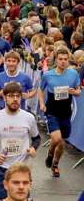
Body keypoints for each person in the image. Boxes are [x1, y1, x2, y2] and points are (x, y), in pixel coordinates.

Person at [0, 82, 40, 201]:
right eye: (11, 96)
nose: (15, 99)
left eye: (18, 96)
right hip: (2, 169)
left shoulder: (29, 117)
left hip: (22, 168)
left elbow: (36, 138)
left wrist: (33, 148)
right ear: (4, 97)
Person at [39, 47, 81, 177]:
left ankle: (55, 164)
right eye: (60, 59)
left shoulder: (73, 74)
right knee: (56, 138)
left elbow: (78, 91)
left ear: (68, 60)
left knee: (61, 142)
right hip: (52, 109)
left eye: (65, 59)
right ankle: (50, 152)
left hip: (66, 111)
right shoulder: (48, 75)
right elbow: (41, 90)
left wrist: (74, 92)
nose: (63, 62)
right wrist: (41, 103)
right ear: (56, 60)